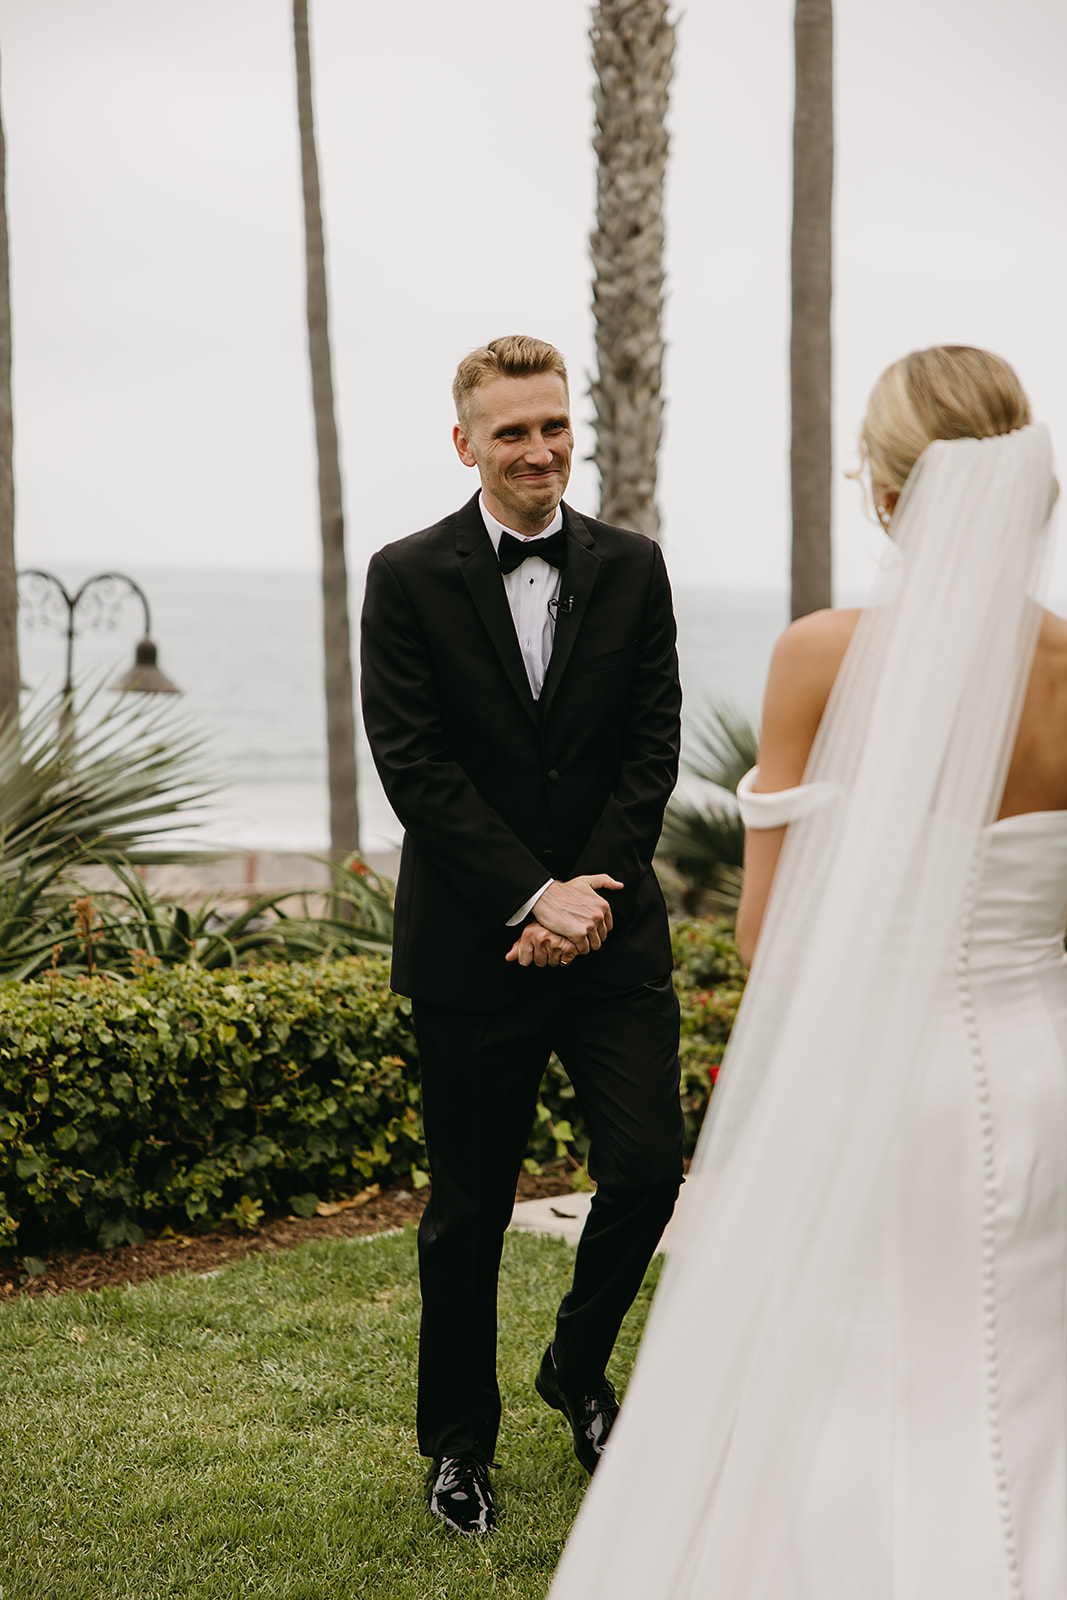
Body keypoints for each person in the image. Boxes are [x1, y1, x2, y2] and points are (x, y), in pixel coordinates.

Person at [548, 346, 1067, 1598]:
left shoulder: (818, 656)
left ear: (888, 496)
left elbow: (766, 939)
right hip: (1041, 1073)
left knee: (858, 1372)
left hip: (881, 1085)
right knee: (1024, 1369)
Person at [359, 334, 684, 1536]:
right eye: (512, 431)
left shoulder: (635, 567)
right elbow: (415, 765)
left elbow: (653, 737)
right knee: (467, 1211)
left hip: (613, 940)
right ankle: (457, 1447)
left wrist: (586, 897)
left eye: (552, 425)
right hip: (473, 949)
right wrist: (528, 895)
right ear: (465, 444)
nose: (538, 448)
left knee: (648, 1168)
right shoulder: (404, 577)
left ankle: (576, 1363)